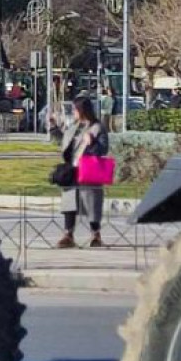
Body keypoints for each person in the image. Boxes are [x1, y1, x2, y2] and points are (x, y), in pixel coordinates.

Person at [57, 96, 109, 248]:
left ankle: (96, 234)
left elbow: (103, 149)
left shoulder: (97, 127)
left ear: (82, 110)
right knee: (69, 202)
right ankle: (68, 234)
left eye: (75, 109)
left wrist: (92, 142)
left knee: (92, 202)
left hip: (88, 169)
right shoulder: (74, 126)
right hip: (72, 169)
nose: (73, 112)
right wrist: (54, 129)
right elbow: (65, 144)